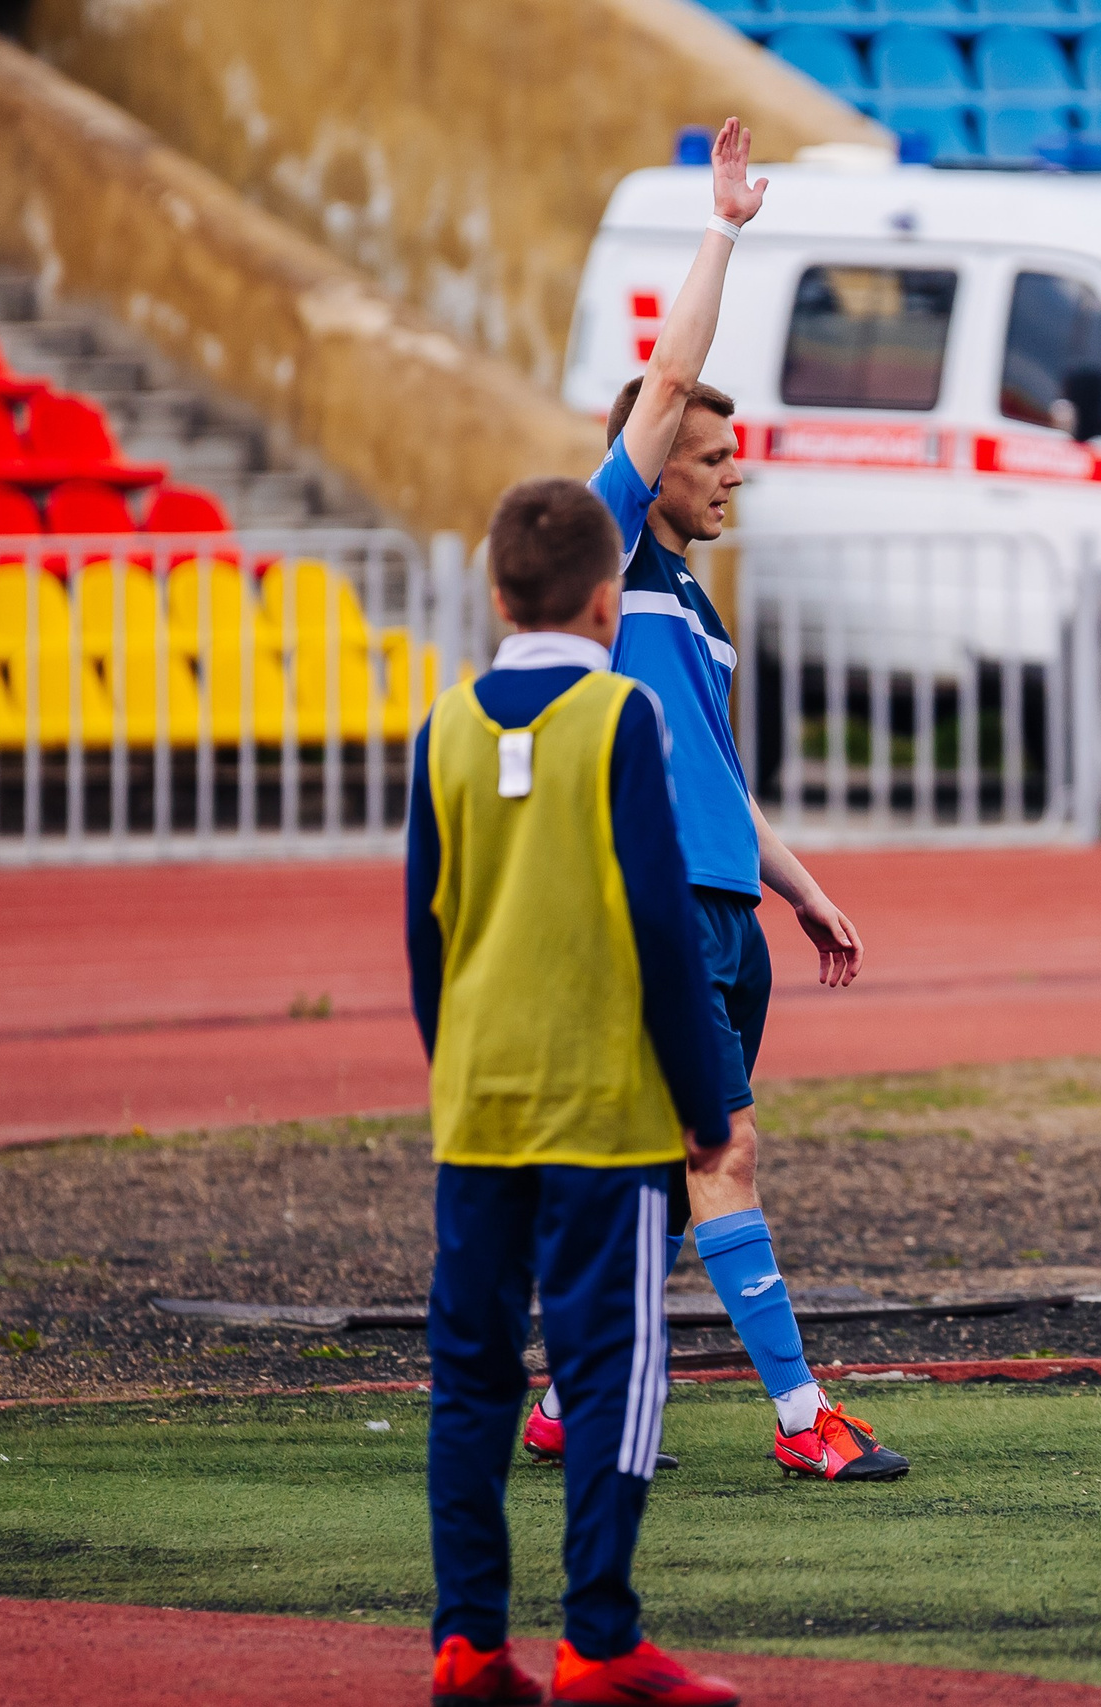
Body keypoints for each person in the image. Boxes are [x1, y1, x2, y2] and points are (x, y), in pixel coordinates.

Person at [520, 116, 907, 1484]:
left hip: (724, 905)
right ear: (648, 461)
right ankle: (805, 1418)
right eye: (709, 452)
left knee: (662, 1163)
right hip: (660, 907)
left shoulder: (691, 605)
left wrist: (801, 889)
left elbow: (718, 781)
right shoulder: (608, 549)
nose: (731, 467)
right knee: (717, 1145)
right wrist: (725, 227)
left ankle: (568, 1394)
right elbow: (672, 365)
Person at [410, 479, 741, 1707]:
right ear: (610, 602)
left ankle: (466, 1639)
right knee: (613, 1365)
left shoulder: (444, 726)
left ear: (497, 595)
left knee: (472, 1371)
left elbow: (423, 933)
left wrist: (458, 1069)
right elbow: (660, 921)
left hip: (480, 1106)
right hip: (603, 1109)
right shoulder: (622, 722)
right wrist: (703, 1097)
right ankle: (597, 1638)